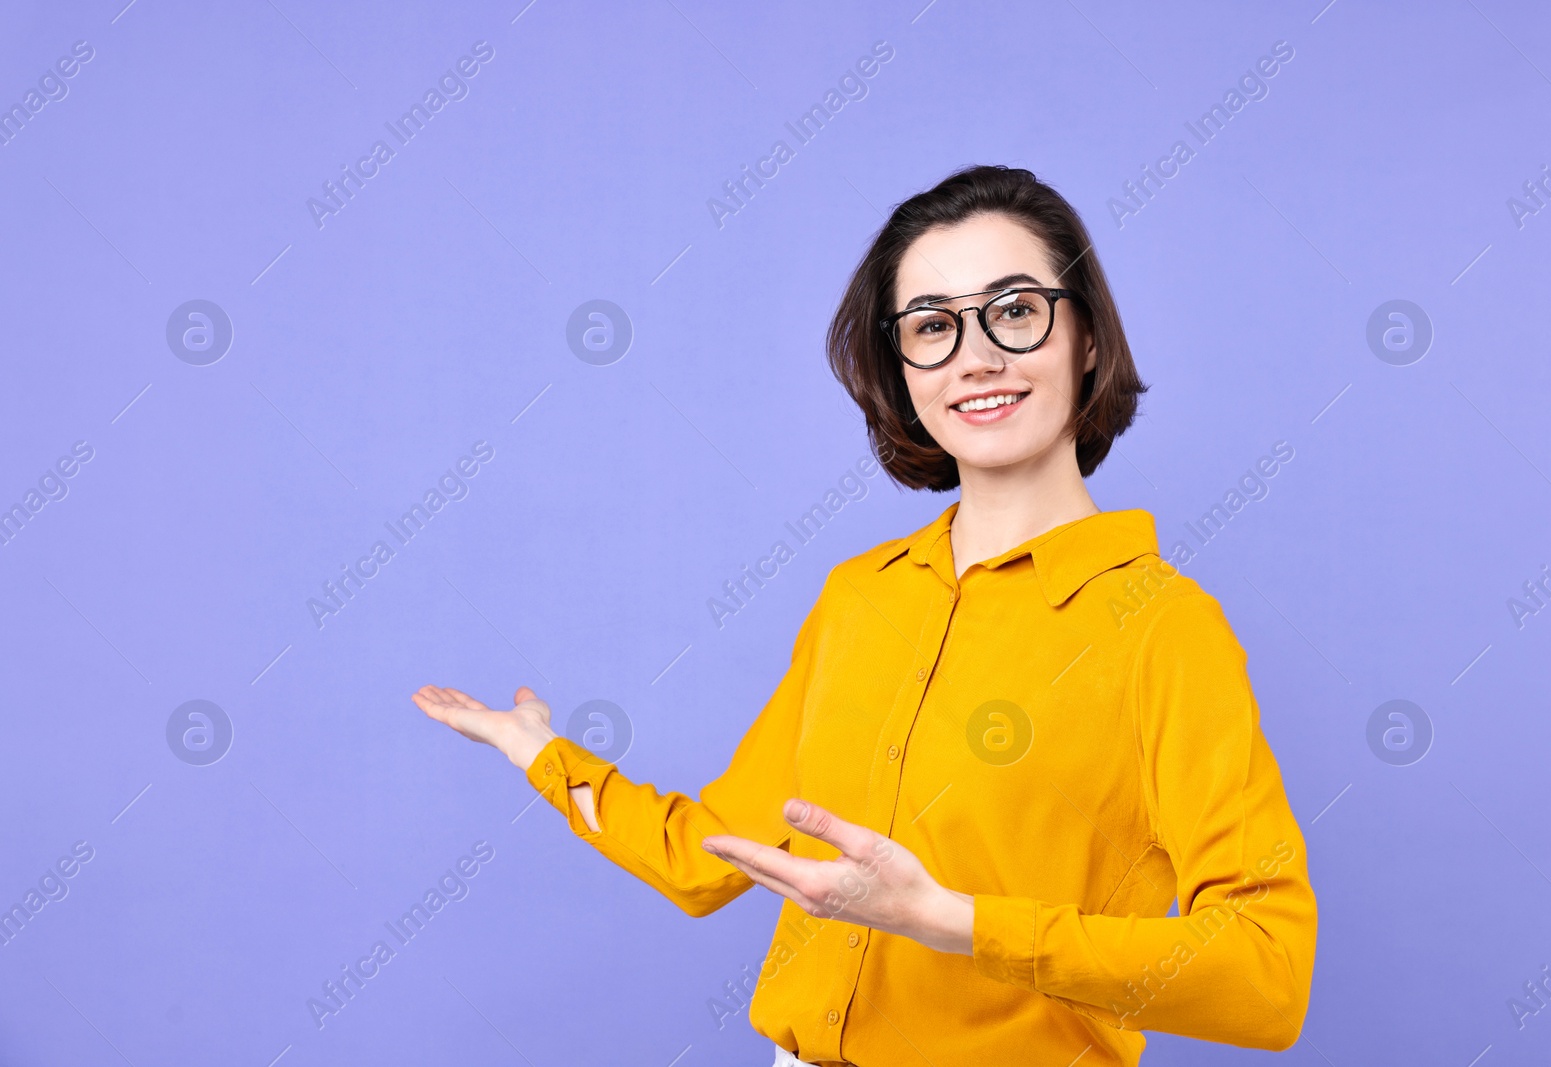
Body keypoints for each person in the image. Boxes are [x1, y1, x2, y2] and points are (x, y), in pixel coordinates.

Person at [413, 164, 1317, 1066]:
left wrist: (954, 923)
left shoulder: (1162, 626)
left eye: (1014, 309)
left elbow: (1266, 975)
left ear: (1085, 335)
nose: (974, 356)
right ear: (902, 365)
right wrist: (536, 748)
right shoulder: (861, 595)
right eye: (932, 326)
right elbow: (708, 858)